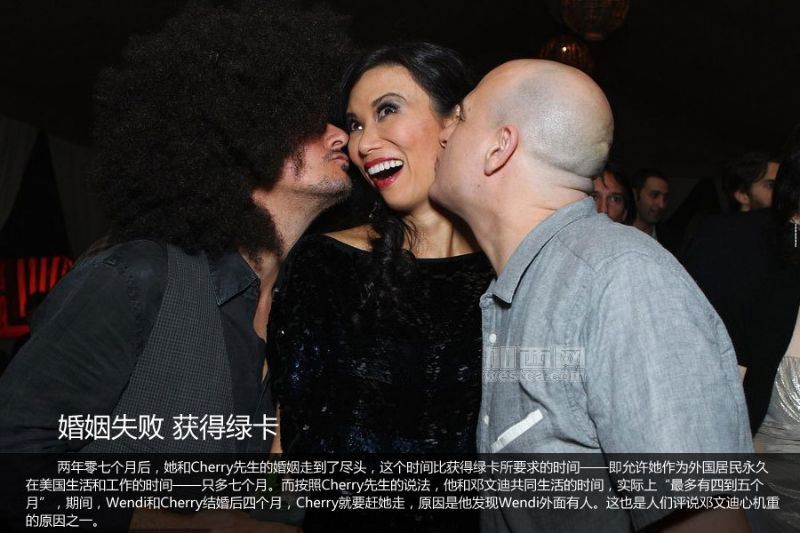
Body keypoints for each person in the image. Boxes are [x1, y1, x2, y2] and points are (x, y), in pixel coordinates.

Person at [0, 1, 352, 530]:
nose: (341, 135)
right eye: (309, 122)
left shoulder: (298, 315)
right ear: (244, 140)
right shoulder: (135, 278)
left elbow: (257, 494)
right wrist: (186, 525)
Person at [431, 59, 752, 532]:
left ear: (499, 147)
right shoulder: (527, 284)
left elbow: (707, 522)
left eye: (460, 116)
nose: (442, 132)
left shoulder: (621, 279)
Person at [268, 42, 493, 531]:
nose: (363, 143)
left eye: (387, 110)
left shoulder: (509, 271)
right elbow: (291, 447)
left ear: (454, 121)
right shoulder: (325, 264)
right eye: (355, 124)